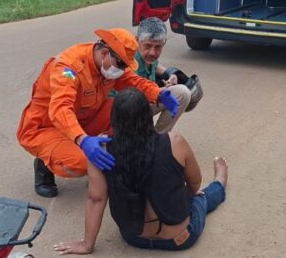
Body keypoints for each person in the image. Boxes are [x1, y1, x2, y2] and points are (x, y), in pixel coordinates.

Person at [53, 88, 227, 255]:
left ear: (113, 119)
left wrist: (87, 245)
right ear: (148, 115)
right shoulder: (174, 141)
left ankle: (211, 187)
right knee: (201, 198)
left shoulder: (100, 151)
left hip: (134, 238)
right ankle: (220, 180)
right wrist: (188, 197)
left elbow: (96, 199)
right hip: (179, 238)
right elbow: (195, 182)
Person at [16, 29, 180, 198]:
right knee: (81, 161)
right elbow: (60, 109)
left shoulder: (111, 63)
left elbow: (132, 81)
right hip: (47, 127)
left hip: (84, 118)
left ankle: (108, 161)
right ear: (104, 53)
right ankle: (44, 164)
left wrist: (157, 93)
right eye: (122, 65)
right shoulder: (67, 68)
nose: (123, 70)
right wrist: (82, 139)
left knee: (127, 110)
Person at [135, 17, 192, 133]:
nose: (152, 52)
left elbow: (157, 66)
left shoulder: (148, 58)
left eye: (158, 47)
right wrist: (159, 90)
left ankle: (157, 140)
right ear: (137, 41)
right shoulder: (129, 60)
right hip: (124, 112)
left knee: (182, 93)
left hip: (142, 106)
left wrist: (171, 75)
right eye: (147, 46)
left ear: (164, 43)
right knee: (179, 92)